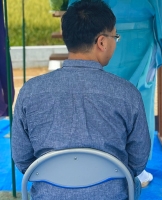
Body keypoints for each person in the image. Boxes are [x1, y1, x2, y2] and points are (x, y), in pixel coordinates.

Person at [12, 1, 151, 199]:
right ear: (102, 42)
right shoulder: (127, 93)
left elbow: (22, 160)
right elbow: (138, 162)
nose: (115, 42)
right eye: (115, 37)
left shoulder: (29, 91)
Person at [67, 0, 162, 187]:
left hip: (101, 35)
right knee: (139, 99)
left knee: (98, 96)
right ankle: (136, 168)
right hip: (138, 33)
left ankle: (99, 158)